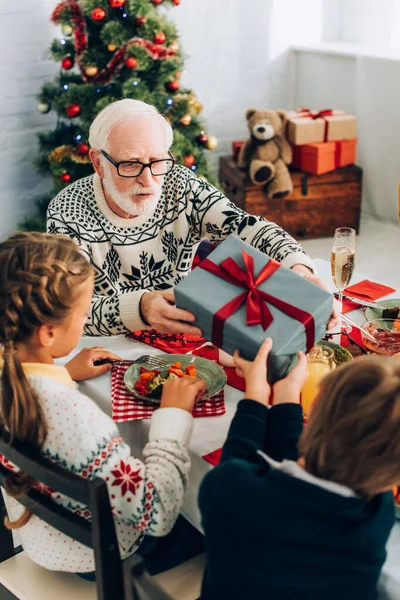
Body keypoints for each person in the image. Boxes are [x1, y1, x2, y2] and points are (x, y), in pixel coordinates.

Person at [0, 231, 206, 575]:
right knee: (219, 517)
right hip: (102, 556)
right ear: (48, 333)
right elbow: (157, 513)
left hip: (38, 538)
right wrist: (173, 414)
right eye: (82, 316)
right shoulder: (73, 413)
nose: (84, 322)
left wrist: (64, 371)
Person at [46, 99, 338, 337]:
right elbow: (69, 311)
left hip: (184, 329)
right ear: (98, 162)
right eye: (131, 164)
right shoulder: (67, 211)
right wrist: (142, 308)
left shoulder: (180, 183)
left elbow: (248, 228)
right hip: (109, 343)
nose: (148, 180)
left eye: (157, 161)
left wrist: (299, 269)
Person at [199, 338, 399, 599]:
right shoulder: (377, 512)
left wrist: (258, 392)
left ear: (313, 408)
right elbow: (317, 467)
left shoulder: (229, 490)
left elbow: (239, 458)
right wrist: (286, 393)